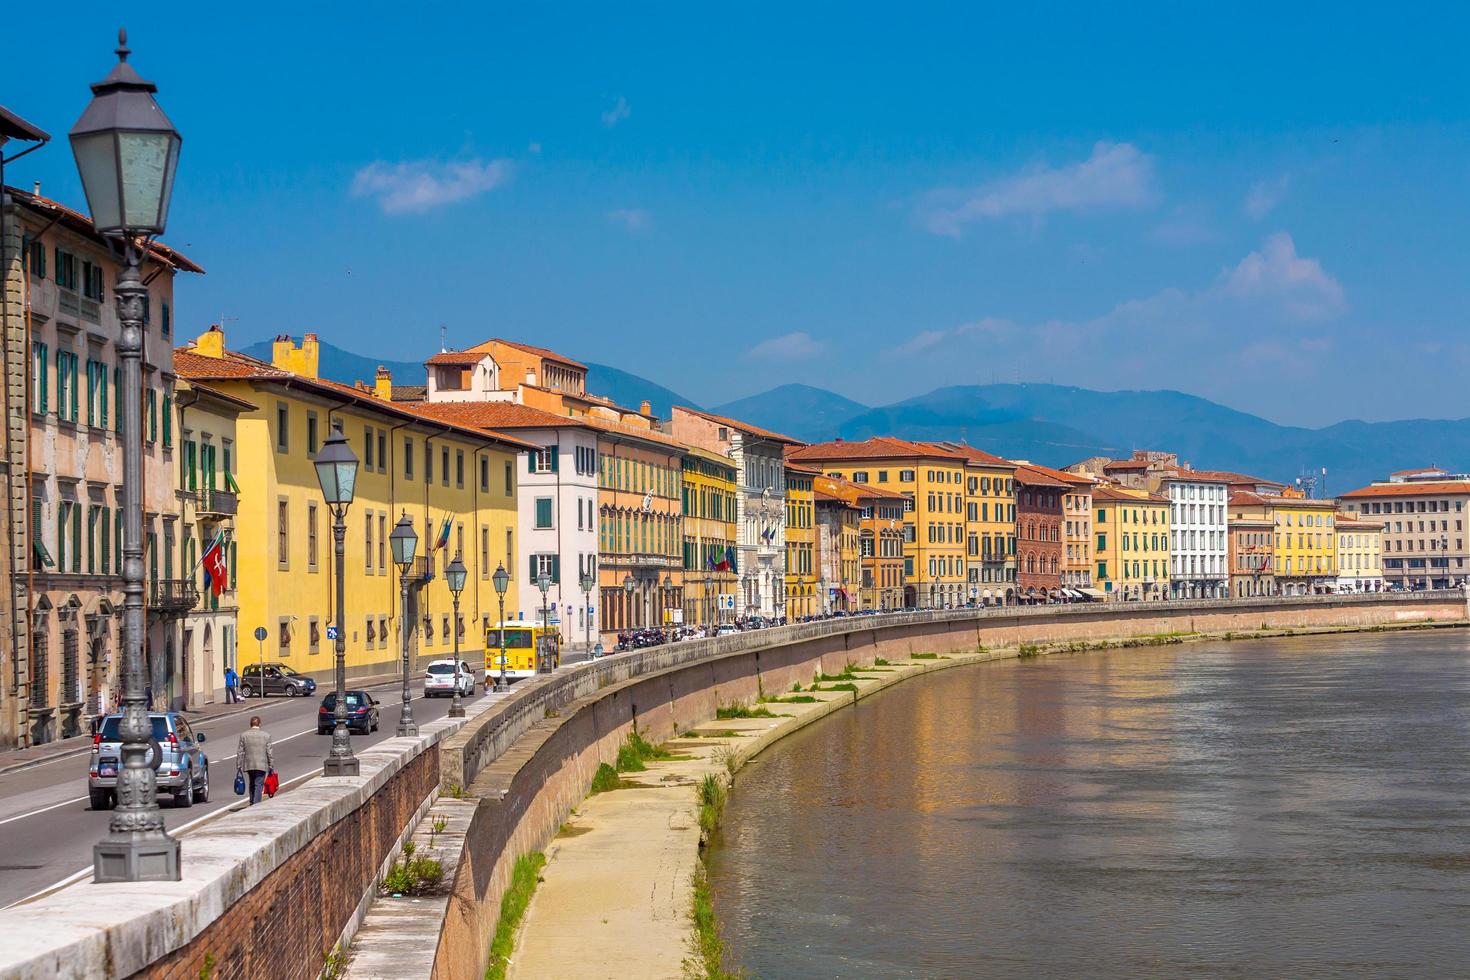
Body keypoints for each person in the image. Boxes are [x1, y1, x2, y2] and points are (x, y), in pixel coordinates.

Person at [237, 716, 274, 806]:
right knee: (258, 784)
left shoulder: (244, 735)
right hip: (261, 764)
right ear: (260, 724)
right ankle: (256, 804)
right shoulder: (266, 736)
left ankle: (251, 801)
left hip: (249, 764)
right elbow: (269, 752)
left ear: (250, 724)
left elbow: (240, 752)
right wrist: (271, 765)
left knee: (252, 782)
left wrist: (238, 765)